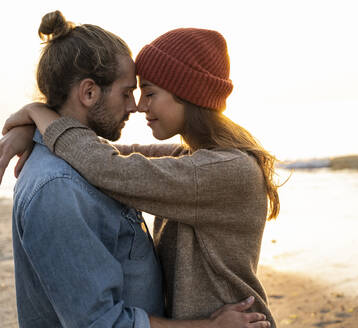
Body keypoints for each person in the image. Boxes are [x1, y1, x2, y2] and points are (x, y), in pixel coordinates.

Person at [0, 11, 270, 328]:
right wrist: (37, 127)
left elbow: (109, 166)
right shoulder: (196, 160)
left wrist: (37, 113)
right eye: (130, 92)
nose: (138, 105)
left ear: (188, 95)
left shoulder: (223, 169)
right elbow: (115, 158)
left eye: (149, 92)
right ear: (88, 93)